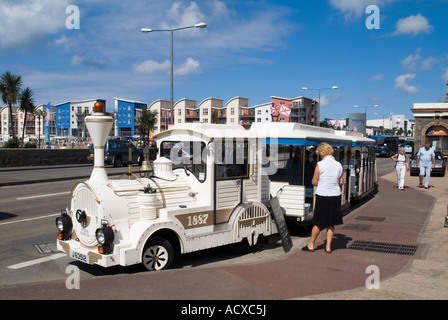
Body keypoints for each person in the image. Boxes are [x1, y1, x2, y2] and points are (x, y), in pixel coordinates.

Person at [302, 142, 344, 254]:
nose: (319, 155)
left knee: (318, 222)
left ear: (323, 153)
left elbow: (314, 181)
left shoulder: (320, 165)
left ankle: (311, 244)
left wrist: (318, 182)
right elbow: (341, 181)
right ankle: (328, 247)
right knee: (331, 223)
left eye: (320, 153)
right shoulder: (339, 165)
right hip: (335, 195)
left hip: (323, 195)